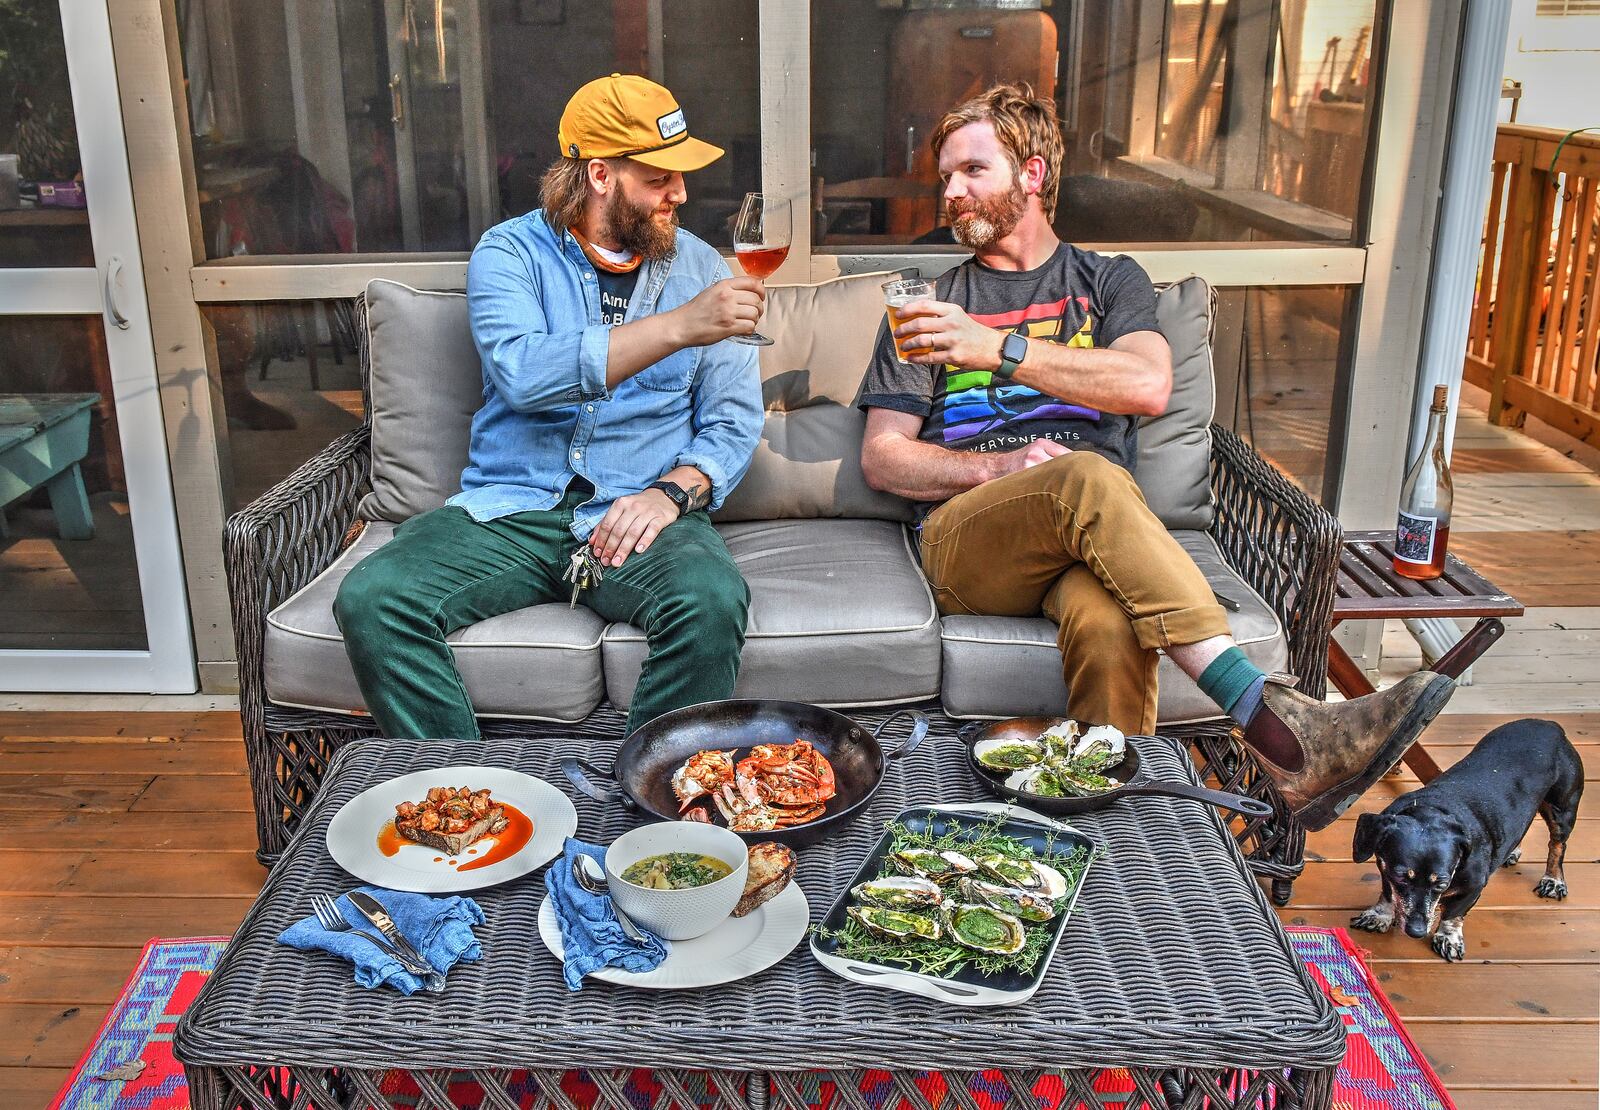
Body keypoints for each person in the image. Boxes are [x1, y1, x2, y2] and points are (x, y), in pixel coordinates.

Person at [857, 84, 1454, 829]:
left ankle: (1099, 848)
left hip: (1089, 541)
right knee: (1082, 477)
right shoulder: (930, 303)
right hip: (970, 543)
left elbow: (1145, 383)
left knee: (1110, 623)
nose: (950, 192)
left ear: (1033, 174)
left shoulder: (1109, 281)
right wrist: (1002, 469)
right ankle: (1276, 724)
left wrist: (997, 350)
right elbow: (884, 459)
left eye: (972, 170)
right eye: (945, 176)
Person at [335, 74, 766, 739]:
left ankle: (648, 803)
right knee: (373, 598)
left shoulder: (702, 267)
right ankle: (470, 795)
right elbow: (524, 375)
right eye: (660, 178)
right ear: (600, 174)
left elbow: (733, 420)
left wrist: (671, 495)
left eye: (681, 176)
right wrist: (680, 326)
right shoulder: (509, 254)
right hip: (511, 509)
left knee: (711, 602)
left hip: (639, 509)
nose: (680, 192)